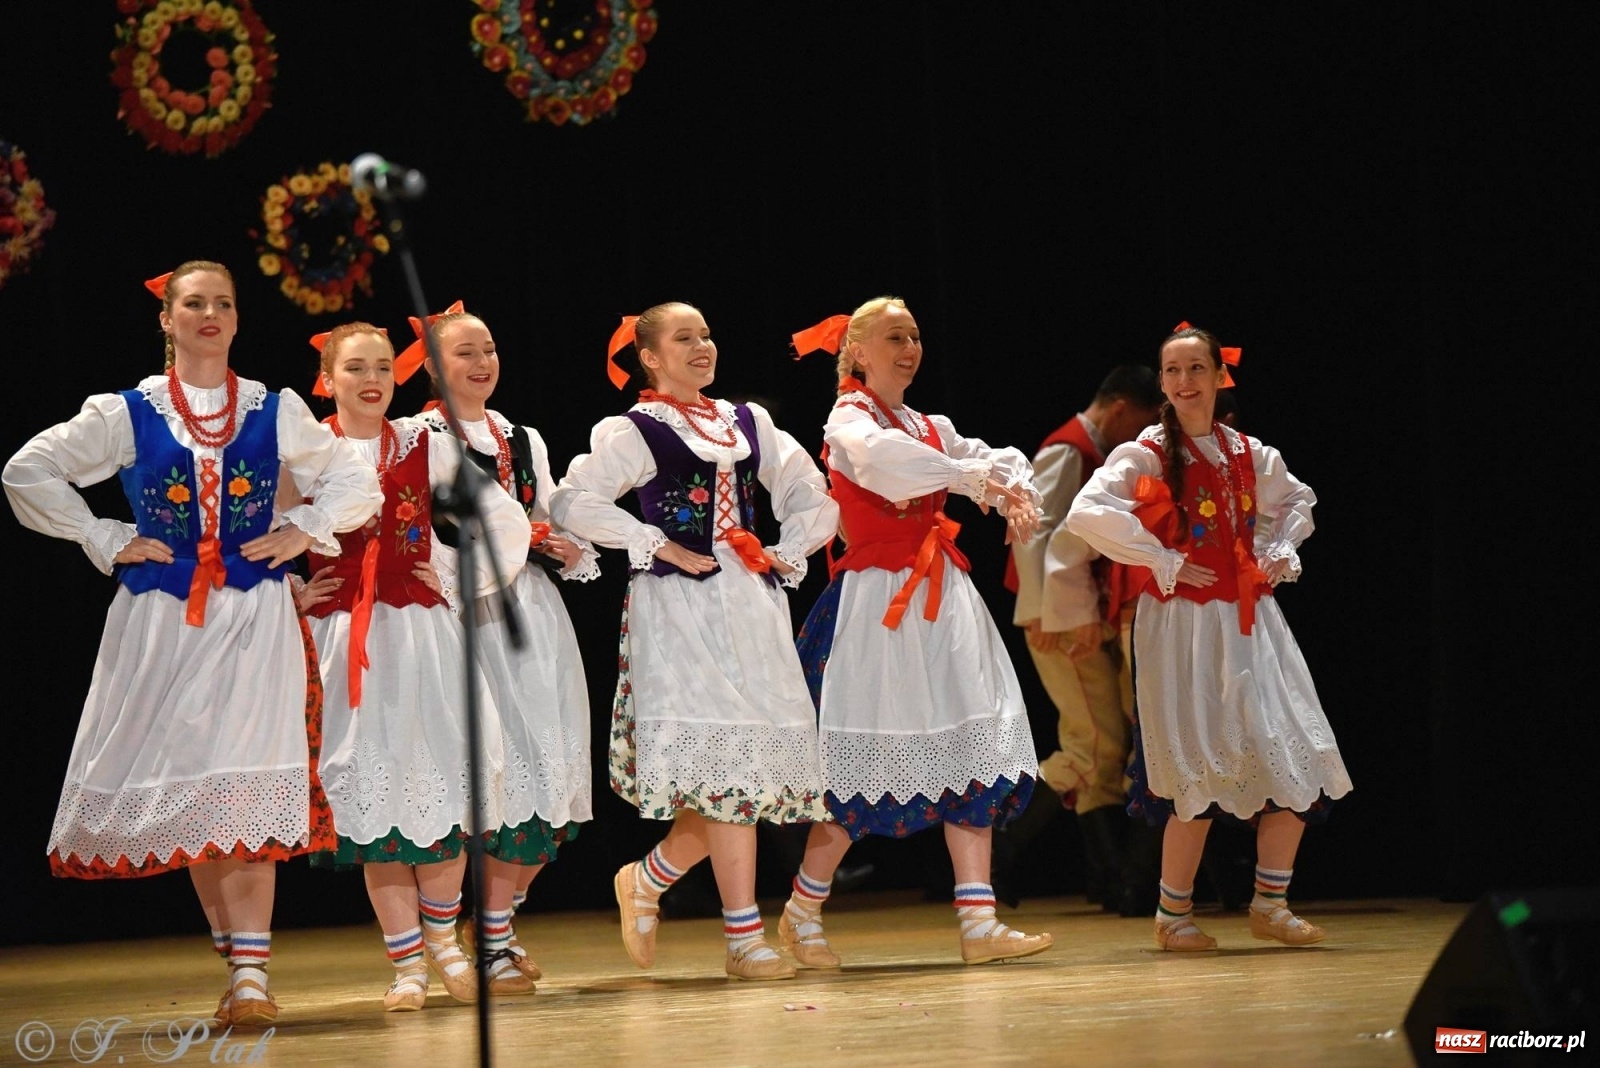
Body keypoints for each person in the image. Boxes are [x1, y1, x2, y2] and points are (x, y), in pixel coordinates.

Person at [2, 261, 382, 1025]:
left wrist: (301, 528)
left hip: (253, 615)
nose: (210, 314)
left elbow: (352, 477)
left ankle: (251, 976)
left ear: (238, 321)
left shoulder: (270, 409)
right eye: (195, 304)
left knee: (245, 777)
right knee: (195, 780)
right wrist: (104, 535)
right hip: (163, 617)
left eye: (224, 304)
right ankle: (232, 950)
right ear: (168, 320)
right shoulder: (126, 411)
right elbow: (28, 469)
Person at [550, 301, 837, 981]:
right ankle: (743, 938)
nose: (702, 346)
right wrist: (653, 543)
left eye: (707, 334)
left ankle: (649, 878)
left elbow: (812, 493)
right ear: (649, 356)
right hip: (680, 608)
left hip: (749, 601)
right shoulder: (636, 429)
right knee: (726, 769)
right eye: (684, 338)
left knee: (752, 766)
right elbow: (573, 501)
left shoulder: (747, 422)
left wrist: (786, 550)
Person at [1065, 323, 1352, 950]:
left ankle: (1270, 902)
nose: (1184, 382)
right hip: (1184, 626)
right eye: (1172, 371)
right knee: (1194, 764)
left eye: (1197, 369)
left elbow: (1297, 503)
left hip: (1251, 620)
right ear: (1162, 382)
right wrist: (1158, 557)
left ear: (1220, 377)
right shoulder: (1145, 451)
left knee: (1293, 747)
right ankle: (1173, 916)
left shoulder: (1251, 453)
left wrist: (1276, 550)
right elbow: (1087, 510)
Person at [785, 297, 1053, 967]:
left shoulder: (931, 425)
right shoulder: (849, 421)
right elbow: (886, 463)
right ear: (858, 353)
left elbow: (994, 456)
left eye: (914, 335)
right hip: (878, 607)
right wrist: (975, 478)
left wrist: (1008, 486)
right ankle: (801, 910)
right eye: (892, 336)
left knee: (972, 743)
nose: (908, 346)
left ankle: (978, 922)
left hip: (943, 598)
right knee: (862, 760)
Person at [294, 322, 530, 1010]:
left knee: (441, 785)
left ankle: (448, 948)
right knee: (375, 800)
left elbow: (504, 521)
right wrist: (293, 594)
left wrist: (453, 572)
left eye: (381, 368)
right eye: (355, 369)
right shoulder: (309, 450)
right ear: (329, 379)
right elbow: (257, 530)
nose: (371, 380)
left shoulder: (425, 443)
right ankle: (406, 968)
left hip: (422, 632)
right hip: (348, 639)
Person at [411, 305, 597, 994]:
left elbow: (538, 510)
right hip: (469, 616)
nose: (481, 362)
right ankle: (480, 938)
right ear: (432, 365)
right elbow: (425, 532)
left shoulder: (522, 435)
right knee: (496, 775)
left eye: (488, 348)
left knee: (551, 774)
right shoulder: (421, 438)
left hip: (534, 616)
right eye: (464, 352)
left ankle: (497, 926)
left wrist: (558, 538)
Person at [1003, 364, 1162, 913]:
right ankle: (1003, 843)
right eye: (1140, 421)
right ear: (1120, 407)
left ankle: (1110, 876)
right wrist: (1050, 613)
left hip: (1075, 610)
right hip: (1059, 616)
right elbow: (1035, 533)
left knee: (1103, 746)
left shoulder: (1090, 452)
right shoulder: (1068, 451)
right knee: (1094, 744)